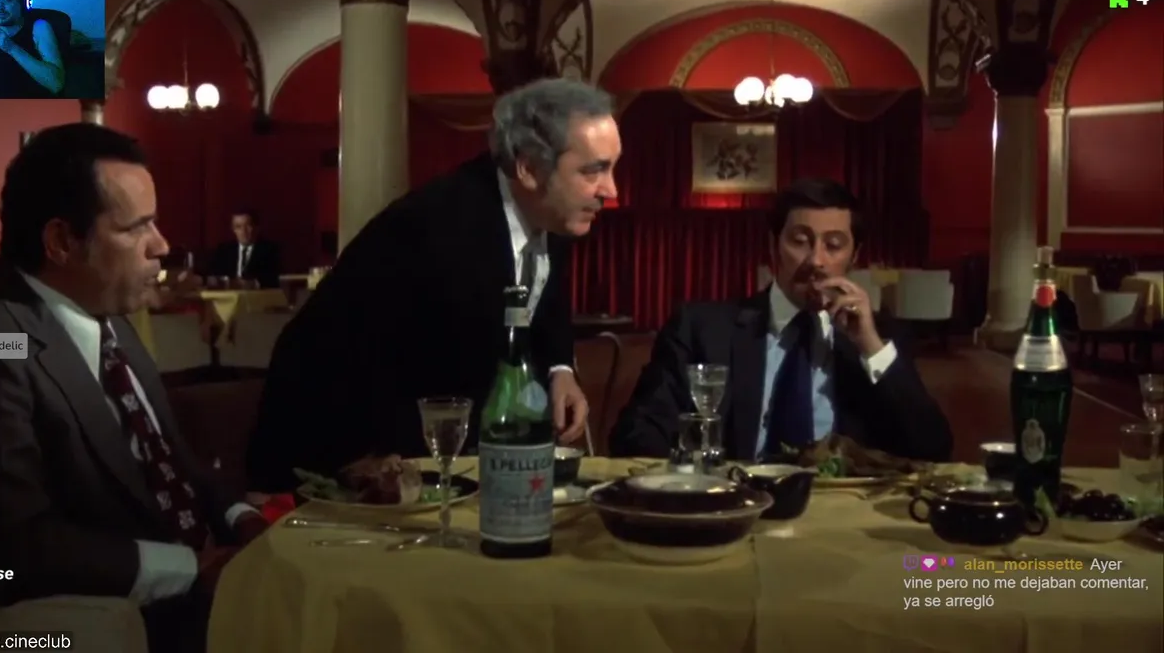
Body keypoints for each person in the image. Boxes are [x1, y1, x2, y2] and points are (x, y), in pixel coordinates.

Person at [0, 124, 267, 653]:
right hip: (129, 620)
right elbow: (5, 547)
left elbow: (175, 462)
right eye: (136, 227)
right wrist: (193, 569)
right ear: (62, 242)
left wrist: (245, 519)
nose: (162, 245)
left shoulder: (112, 321)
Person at [246, 78, 621, 491]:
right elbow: (395, 368)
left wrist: (559, 369)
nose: (611, 190)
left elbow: (545, 300)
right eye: (593, 170)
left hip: (437, 439)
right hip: (336, 439)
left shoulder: (555, 211)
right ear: (528, 168)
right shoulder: (442, 228)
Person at [609, 177, 952, 463]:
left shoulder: (879, 339)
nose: (816, 260)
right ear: (774, 246)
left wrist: (870, 347)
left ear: (855, 256)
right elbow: (634, 436)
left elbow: (933, 448)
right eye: (800, 241)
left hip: (838, 507)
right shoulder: (702, 328)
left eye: (834, 245)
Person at [205, 210, 281, 288]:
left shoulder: (269, 250)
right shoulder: (224, 250)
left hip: (258, 294)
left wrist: (252, 284)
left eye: (248, 226)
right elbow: (213, 275)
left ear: (257, 228)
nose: (243, 231)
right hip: (230, 293)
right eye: (238, 227)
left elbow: (273, 279)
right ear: (233, 230)